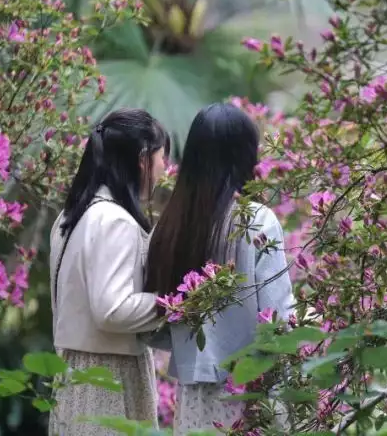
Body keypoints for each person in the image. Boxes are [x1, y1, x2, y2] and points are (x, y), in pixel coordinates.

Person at [145, 103, 295, 434]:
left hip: (194, 395)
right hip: (251, 391)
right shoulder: (256, 220)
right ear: (244, 155)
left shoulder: (170, 225)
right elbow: (277, 316)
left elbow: (159, 314)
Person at [49, 108, 170, 435]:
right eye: (162, 158)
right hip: (110, 376)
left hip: (74, 371)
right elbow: (111, 310)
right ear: (143, 160)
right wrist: (174, 303)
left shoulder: (69, 216)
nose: (164, 168)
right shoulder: (114, 221)